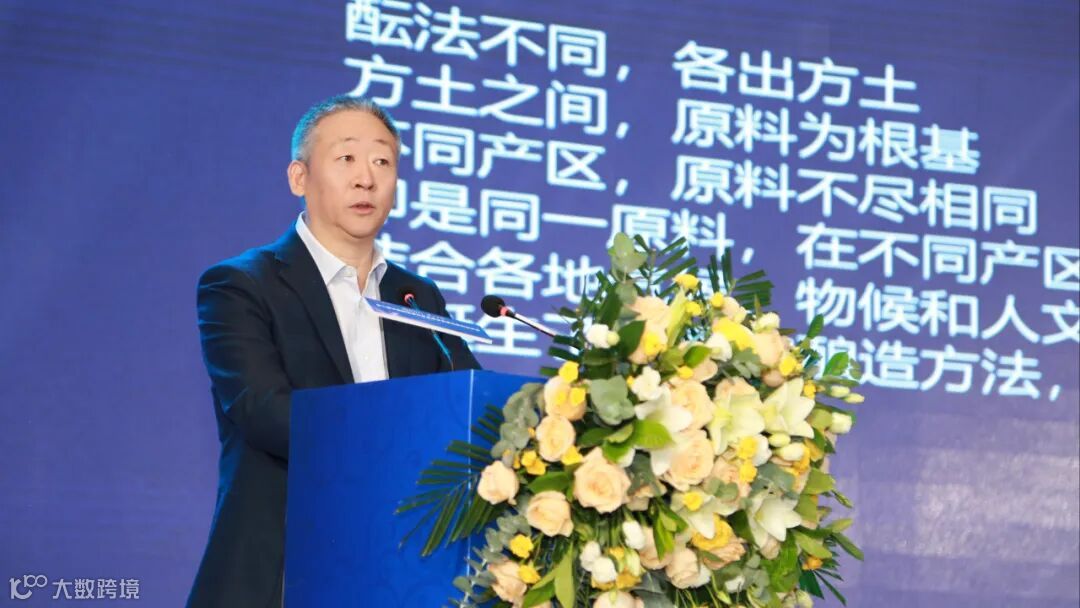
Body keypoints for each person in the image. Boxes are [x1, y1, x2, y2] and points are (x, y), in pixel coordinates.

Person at [186, 95, 479, 608]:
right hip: (283, 573)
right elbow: (266, 412)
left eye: (382, 161)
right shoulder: (241, 285)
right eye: (346, 158)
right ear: (299, 178)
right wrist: (401, 447)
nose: (366, 178)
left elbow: (470, 410)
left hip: (401, 574)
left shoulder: (417, 297)